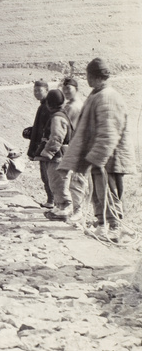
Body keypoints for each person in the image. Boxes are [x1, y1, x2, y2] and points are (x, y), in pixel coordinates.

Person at [59, 58, 136, 242]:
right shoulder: (98, 95)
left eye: (88, 75)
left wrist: (98, 157)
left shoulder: (108, 97)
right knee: (98, 194)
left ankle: (115, 227)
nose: (86, 79)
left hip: (110, 158)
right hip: (99, 158)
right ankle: (102, 226)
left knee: (109, 193)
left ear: (94, 76)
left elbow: (109, 131)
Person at [34, 90, 74, 220]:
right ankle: (58, 206)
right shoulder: (61, 115)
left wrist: (47, 153)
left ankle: (64, 208)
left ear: (49, 104)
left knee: (59, 181)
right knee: (54, 181)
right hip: (58, 156)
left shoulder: (57, 118)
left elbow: (57, 138)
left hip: (59, 157)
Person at [61, 77, 89, 223]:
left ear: (76, 89)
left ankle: (78, 212)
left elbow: (66, 129)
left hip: (78, 146)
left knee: (77, 180)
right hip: (76, 145)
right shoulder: (73, 104)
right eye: (64, 89)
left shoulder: (73, 106)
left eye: (68, 89)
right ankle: (76, 210)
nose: (65, 91)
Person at [23, 80, 53, 208]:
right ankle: (51, 200)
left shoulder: (47, 107)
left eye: (39, 90)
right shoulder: (44, 105)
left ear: (46, 90)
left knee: (48, 175)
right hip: (44, 146)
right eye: (35, 90)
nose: (36, 93)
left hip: (46, 147)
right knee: (46, 175)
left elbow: (46, 129)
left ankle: (52, 201)